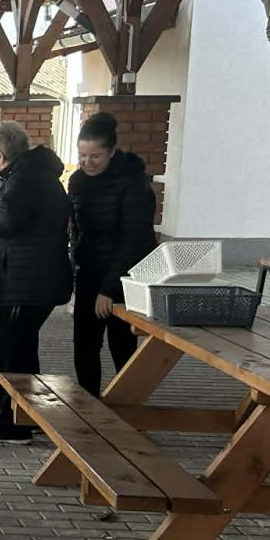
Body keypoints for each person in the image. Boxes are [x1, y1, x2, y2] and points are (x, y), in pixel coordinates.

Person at [0, 120, 72, 444]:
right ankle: (26, 415)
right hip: (32, 278)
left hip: (27, 281)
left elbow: (3, 219)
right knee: (23, 350)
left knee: (6, 352)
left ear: (0, 156)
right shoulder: (34, 172)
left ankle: (11, 424)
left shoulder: (24, 178)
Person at [69, 111, 156, 394]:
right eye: (82, 155)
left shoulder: (134, 184)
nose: (87, 162)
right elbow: (76, 229)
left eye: (95, 156)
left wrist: (110, 289)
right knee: (84, 344)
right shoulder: (77, 181)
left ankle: (127, 403)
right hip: (89, 272)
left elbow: (137, 240)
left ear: (112, 152)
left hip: (125, 278)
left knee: (122, 345)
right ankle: (88, 402)